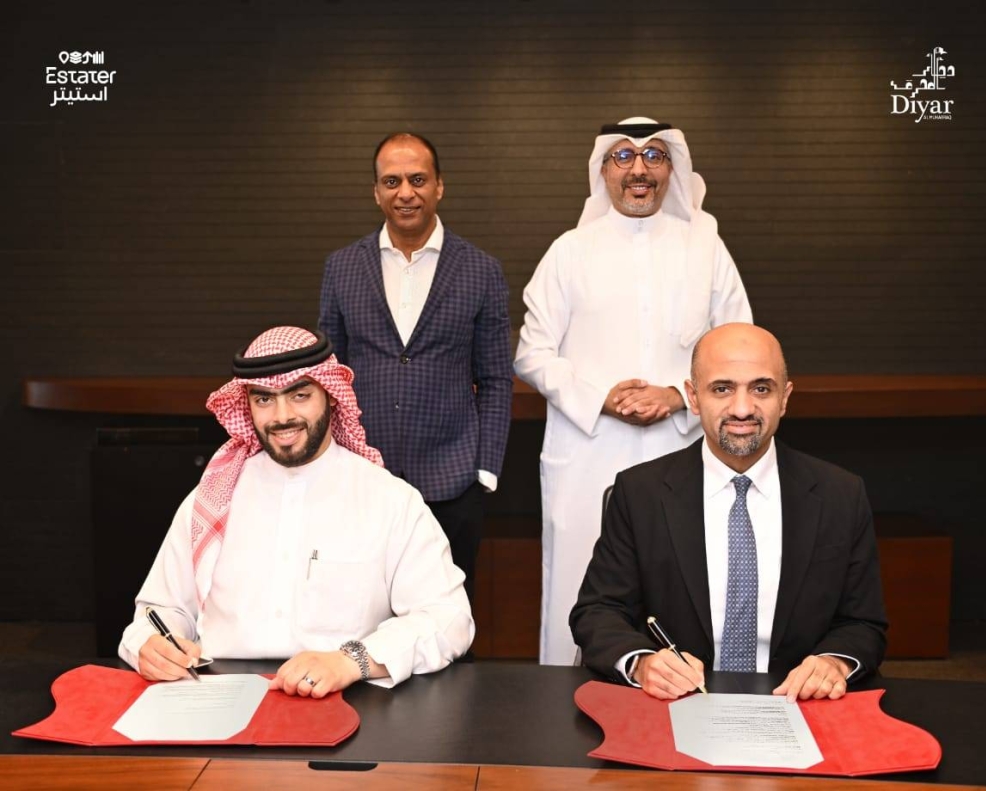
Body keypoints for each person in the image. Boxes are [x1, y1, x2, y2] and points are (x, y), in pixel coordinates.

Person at [119, 326, 474, 696]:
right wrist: (150, 645)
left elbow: (448, 618)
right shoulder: (211, 499)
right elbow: (160, 612)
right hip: (218, 699)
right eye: (264, 399)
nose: (282, 416)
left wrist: (350, 661)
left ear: (331, 396)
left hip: (348, 699)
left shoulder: (389, 500)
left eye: (300, 395)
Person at [514, 117, 753, 664]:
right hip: (589, 453)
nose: (639, 169)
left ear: (672, 169)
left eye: (654, 156)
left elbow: (741, 347)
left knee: (681, 582)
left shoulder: (706, 249)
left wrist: (678, 396)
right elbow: (531, 353)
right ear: (603, 170)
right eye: (623, 156)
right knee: (577, 584)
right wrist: (603, 397)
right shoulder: (570, 251)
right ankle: (563, 706)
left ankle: (686, 697)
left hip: (680, 448)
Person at [570, 323, 888, 701]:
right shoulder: (640, 493)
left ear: (784, 398)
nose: (742, 409)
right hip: (677, 704)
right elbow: (598, 611)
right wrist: (642, 662)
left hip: (800, 704)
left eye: (761, 389)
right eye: (722, 389)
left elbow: (863, 623)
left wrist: (833, 662)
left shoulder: (841, 494)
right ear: (693, 397)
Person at [319, 133, 512, 605]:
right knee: (360, 610)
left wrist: (485, 469)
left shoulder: (481, 270)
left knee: (449, 615)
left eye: (418, 180)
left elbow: (495, 379)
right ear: (376, 192)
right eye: (392, 182)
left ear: (439, 186)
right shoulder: (342, 267)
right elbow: (328, 374)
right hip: (364, 476)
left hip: (454, 483)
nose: (405, 192)